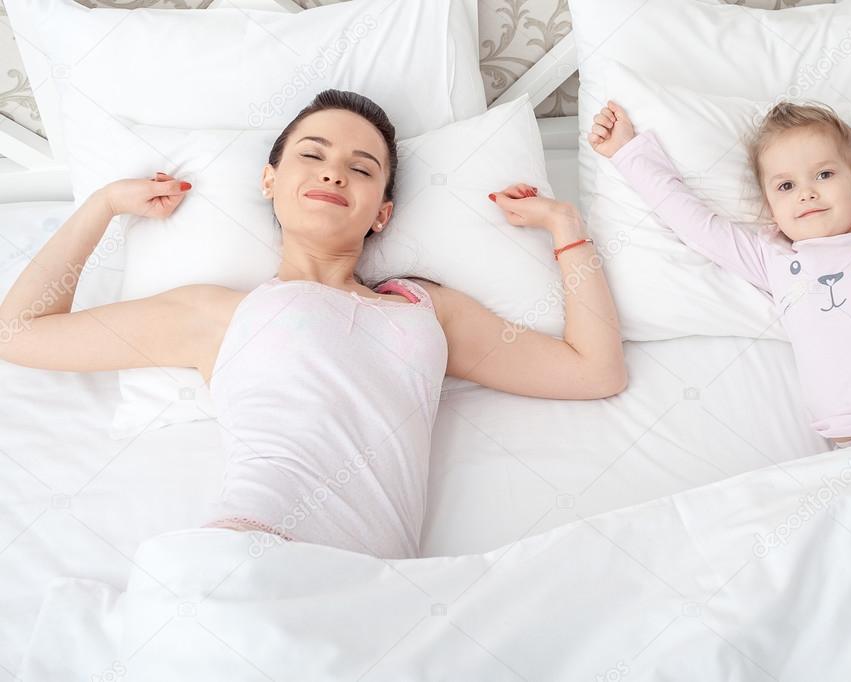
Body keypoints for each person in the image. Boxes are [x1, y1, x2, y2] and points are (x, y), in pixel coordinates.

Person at [0, 90, 627, 559]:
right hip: (247, 551)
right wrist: (104, 204)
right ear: (270, 182)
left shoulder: (426, 311)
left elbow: (595, 370)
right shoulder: (213, 313)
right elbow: (17, 333)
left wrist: (565, 228)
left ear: (382, 213)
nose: (333, 172)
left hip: (377, 588)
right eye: (312, 155)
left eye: (362, 167)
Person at [589, 99, 851, 450]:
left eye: (825, 174)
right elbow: (693, 222)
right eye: (786, 186)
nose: (807, 191)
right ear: (770, 207)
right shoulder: (770, 258)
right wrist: (629, 153)